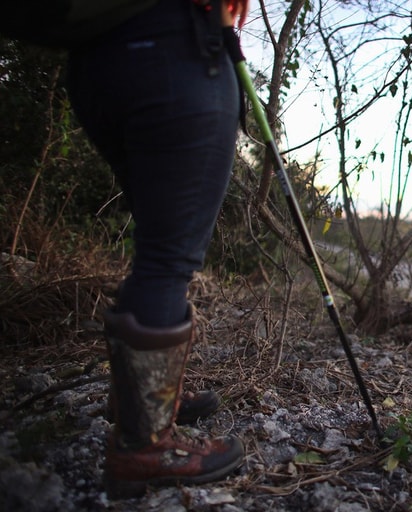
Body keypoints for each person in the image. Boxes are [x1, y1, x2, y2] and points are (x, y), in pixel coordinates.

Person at [64, 0, 250, 498]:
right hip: (177, 49)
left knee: (156, 243)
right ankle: (142, 447)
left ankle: (142, 401)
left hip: (95, 65)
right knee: (168, 259)